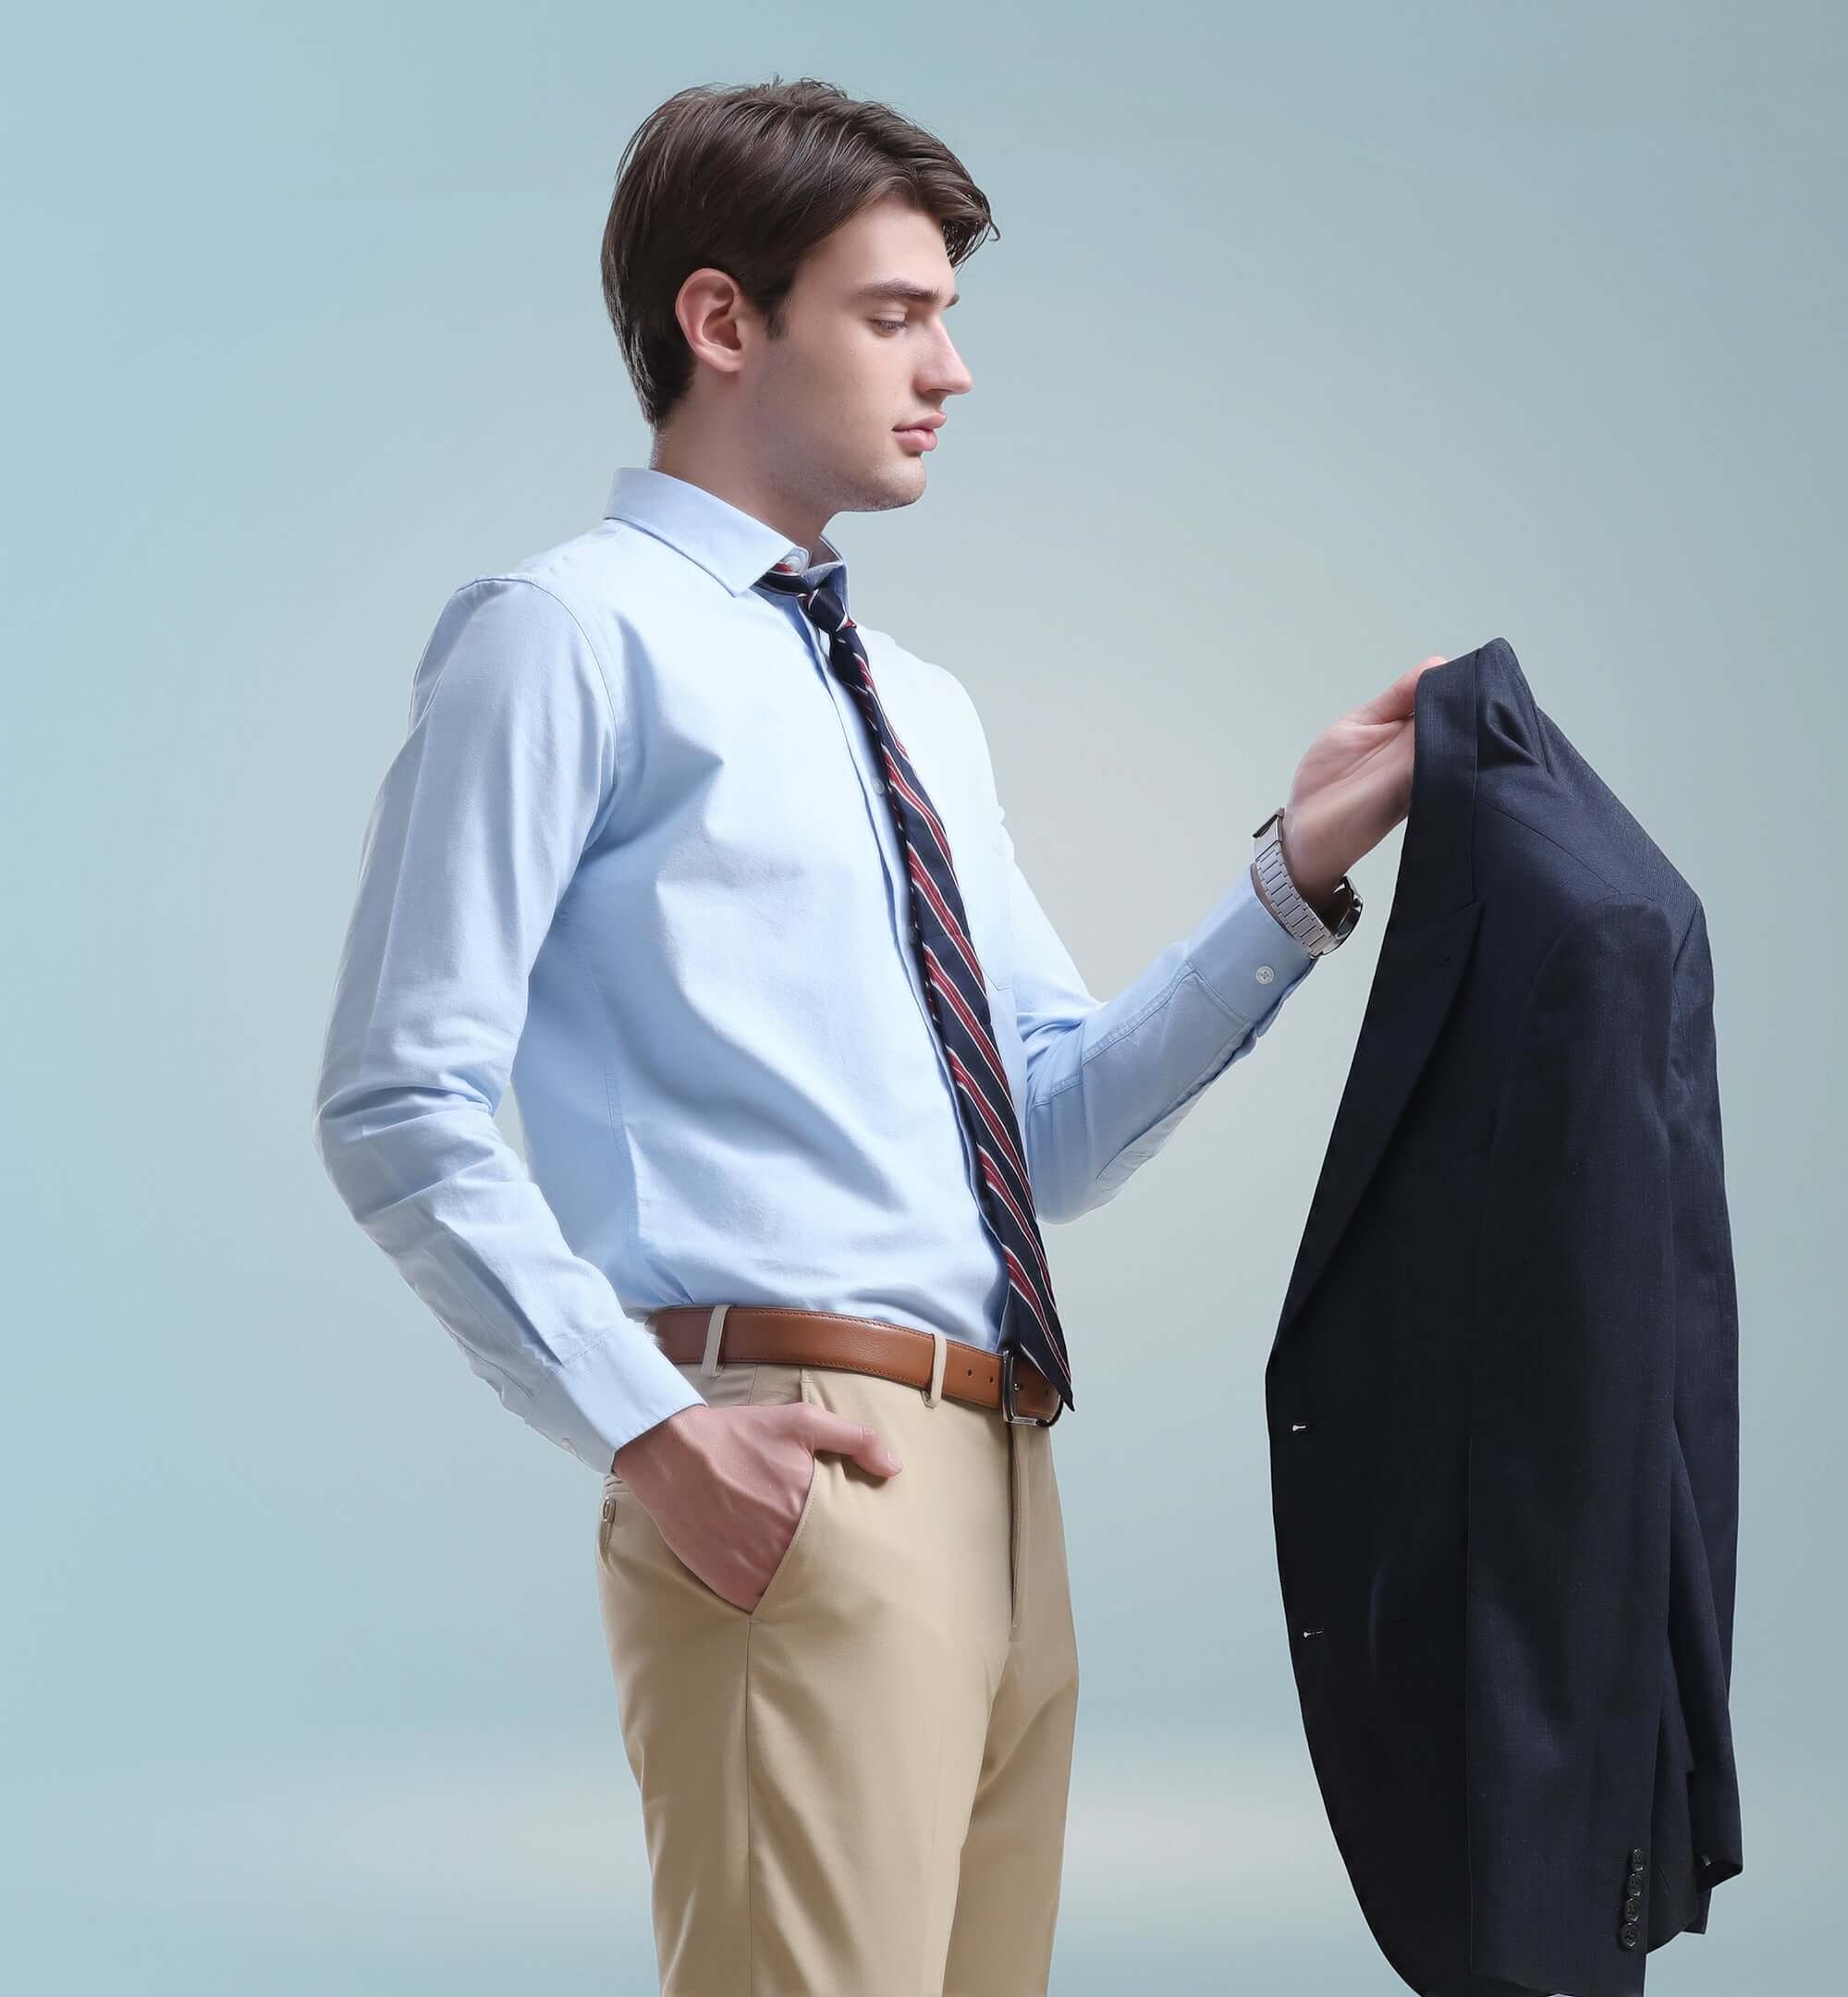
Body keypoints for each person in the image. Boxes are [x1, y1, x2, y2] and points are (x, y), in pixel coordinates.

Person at [312, 73, 1440, 1997]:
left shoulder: (912, 700)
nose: (953, 368)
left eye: (945, 315)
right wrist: (657, 1434)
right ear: (723, 320)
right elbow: (398, 1101)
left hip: (1004, 1479)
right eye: (895, 312)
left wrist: (1297, 870)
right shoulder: (563, 635)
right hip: (791, 1465)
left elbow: (1053, 1131)